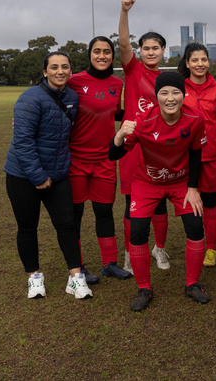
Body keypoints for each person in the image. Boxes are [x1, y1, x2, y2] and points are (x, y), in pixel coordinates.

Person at [108, 72, 209, 311]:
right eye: (164, 93)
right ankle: (144, 288)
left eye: (176, 92)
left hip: (181, 182)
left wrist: (193, 189)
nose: (170, 98)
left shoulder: (195, 119)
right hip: (147, 183)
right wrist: (120, 134)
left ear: (184, 95)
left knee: (195, 226)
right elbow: (114, 154)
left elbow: (196, 154)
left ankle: (192, 284)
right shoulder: (142, 120)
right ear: (156, 97)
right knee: (138, 232)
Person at [4, 51, 92, 299]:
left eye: (65, 67)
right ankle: (34, 277)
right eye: (54, 67)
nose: (60, 71)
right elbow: (22, 141)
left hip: (59, 174)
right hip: (23, 176)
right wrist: (38, 176)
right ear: (44, 72)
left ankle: (75, 277)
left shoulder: (72, 97)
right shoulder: (30, 98)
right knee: (27, 228)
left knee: (67, 226)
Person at [67, 36, 131, 281]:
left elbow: (115, 113)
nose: (102, 56)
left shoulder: (117, 83)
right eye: (97, 51)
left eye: (106, 51)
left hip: (105, 159)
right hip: (76, 159)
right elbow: (48, 97)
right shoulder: (74, 81)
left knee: (104, 211)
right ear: (89, 54)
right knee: (76, 214)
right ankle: (77, 265)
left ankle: (109, 263)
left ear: (112, 55)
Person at [117, 0, 171, 273]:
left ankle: (159, 249)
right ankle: (129, 252)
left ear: (163, 51)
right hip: (132, 147)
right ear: (140, 52)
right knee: (131, 202)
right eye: (146, 48)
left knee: (160, 200)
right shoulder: (133, 69)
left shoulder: (168, 81)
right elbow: (123, 43)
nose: (150, 52)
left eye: (155, 48)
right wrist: (124, 12)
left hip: (158, 148)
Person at [178, 43, 216, 267]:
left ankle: (211, 249)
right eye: (195, 60)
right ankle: (195, 243)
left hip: (211, 156)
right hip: (184, 156)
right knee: (188, 203)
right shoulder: (179, 87)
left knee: (209, 203)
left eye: (204, 60)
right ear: (187, 63)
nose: (200, 64)